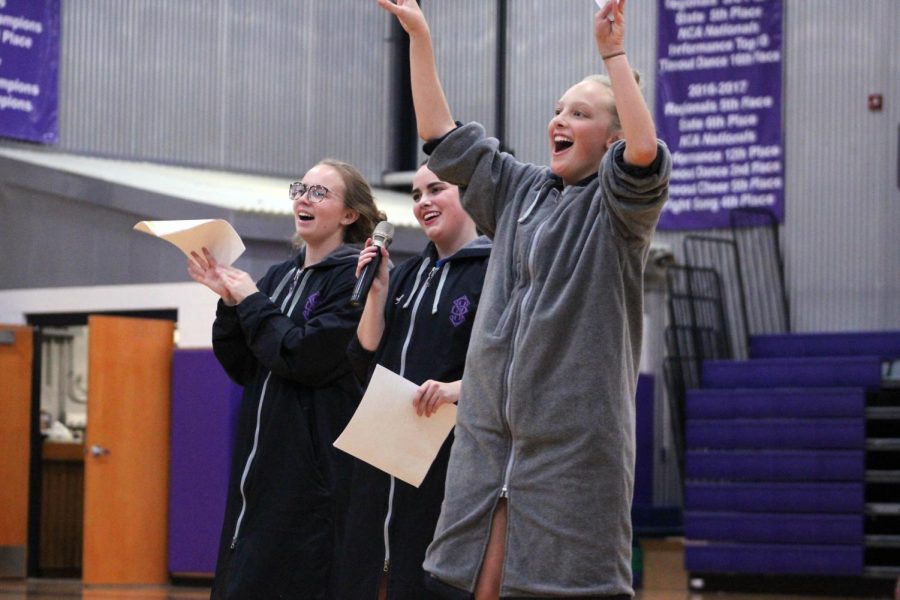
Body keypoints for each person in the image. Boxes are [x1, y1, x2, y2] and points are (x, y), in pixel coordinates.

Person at [377, 0, 672, 598]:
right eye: (557, 109)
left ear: (611, 137)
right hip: (487, 445)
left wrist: (612, 54)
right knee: (471, 581)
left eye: (581, 113)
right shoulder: (519, 189)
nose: (559, 120)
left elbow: (644, 155)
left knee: (559, 585)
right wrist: (419, 35)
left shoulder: (619, 210)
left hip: (572, 452)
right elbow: (440, 136)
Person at [187, 158, 385, 600]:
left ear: (349, 215)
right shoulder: (279, 276)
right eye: (301, 188)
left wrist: (251, 301)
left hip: (311, 478)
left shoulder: (355, 279)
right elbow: (243, 365)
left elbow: (304, 356)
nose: (304, 198)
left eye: (320, 192)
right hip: (260, 470)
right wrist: (229, 303)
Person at [336, 163, 491, 600]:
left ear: (471, 197)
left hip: (449, 454)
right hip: (385, 451)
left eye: (436, 190)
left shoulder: (495, 273)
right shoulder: (404, 274)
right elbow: (364, 358)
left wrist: (456, 390)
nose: (423, 202)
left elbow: (513, 367)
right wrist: (377, 295)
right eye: (417, 194)